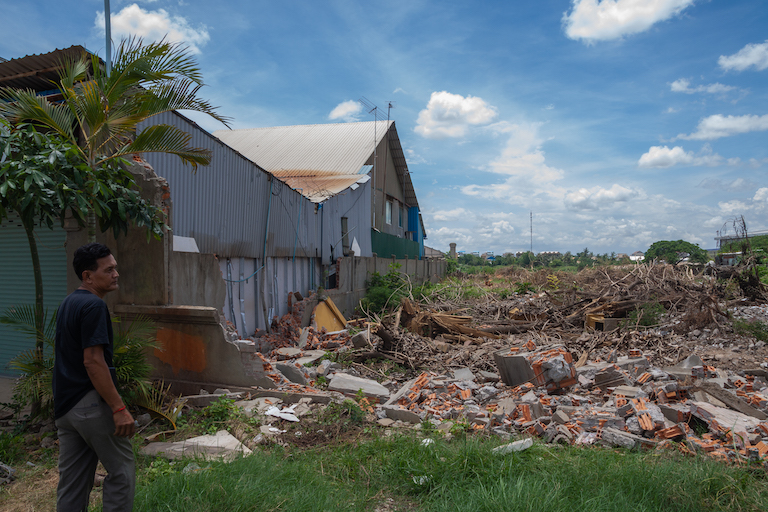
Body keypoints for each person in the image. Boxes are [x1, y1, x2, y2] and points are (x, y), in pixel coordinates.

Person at [53, 243, 135, 512]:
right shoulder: (93, 306)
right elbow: (93, 362)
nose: (116, 274)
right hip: (89, 405)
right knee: (121, 472)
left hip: (66, 409)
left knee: (73, 483)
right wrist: (118, 408)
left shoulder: (69, 302)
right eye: (108, 269)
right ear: (88, 276)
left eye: (115, 268)